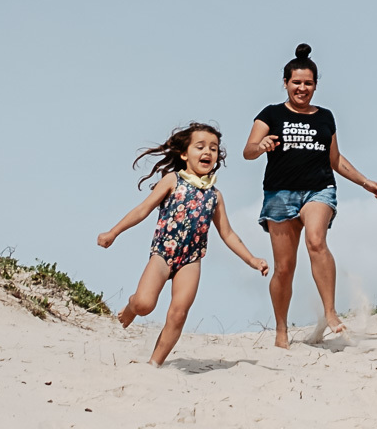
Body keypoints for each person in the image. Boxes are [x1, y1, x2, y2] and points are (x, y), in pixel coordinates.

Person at [243, 43, 377, 349]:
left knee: (317, 241)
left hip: (319, 188)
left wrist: (364, 182)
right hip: (279, 194)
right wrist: (262, 145)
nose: (302, 88)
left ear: (315, 86)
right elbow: (248, 151)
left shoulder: (325, 117)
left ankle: (331, 312)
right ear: (286, 83)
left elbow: (335, 160)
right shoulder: (271, 113)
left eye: (308, 83)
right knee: (284, 268)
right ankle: (281, 329)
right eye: (296, 83)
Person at [98, 122, 269, 366]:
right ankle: (130, 308)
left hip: (191, 259)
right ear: (184, 154)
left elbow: (228, 234)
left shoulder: (215, 195)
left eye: (213, 148)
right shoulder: (172, 180)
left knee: (178, 314)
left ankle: (153, 364)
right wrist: (113, 232)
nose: (208, 152)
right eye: (200, 147)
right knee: (145, 304)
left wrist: (252, 260)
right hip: (162, 252)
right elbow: (143, 209)